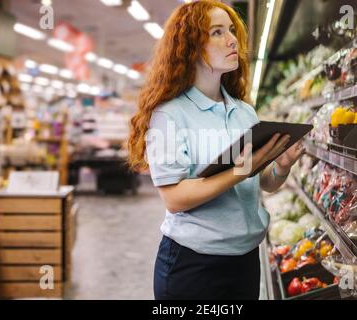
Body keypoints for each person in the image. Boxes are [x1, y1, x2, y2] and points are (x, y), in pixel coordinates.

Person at [128, 0, 304, 300]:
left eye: (232, 30)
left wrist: (282, 165)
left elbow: (263, 183)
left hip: (245, 259)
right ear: (190, 46)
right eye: (217, 32)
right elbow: (174, 198)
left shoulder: (244, 112)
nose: (232, 39)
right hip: (194, 265)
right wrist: (239, 172)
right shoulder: (169, 115)